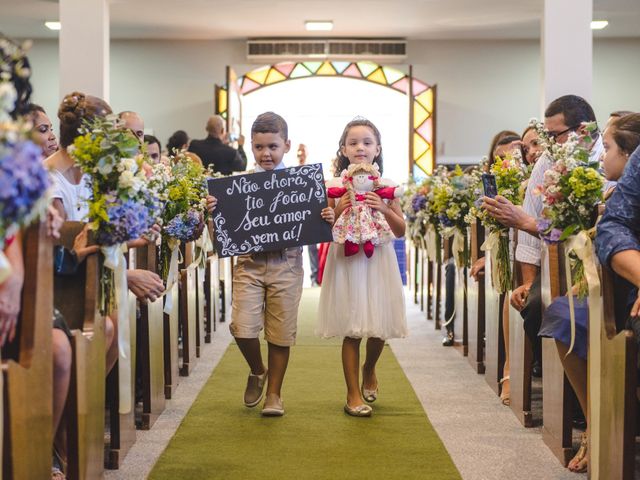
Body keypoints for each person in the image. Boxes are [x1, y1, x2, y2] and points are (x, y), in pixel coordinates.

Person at [207, 112, 333, 416]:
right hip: (249, 263)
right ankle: (257, 369)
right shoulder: (238, 186)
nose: (266, 154)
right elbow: (222, 235)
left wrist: (326, 216)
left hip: (287, 263)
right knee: (242, 328)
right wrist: (213, 212)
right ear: (251, 146)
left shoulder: (302, 184)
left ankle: (274, 393)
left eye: (273, 147)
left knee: (280, 332)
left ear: (286, 145)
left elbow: (317, 222)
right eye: (260, 147)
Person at [539, 113, 640, 473]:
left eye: (608, 148)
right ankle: (595, 420)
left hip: (618, 289)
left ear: (629, 155)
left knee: (566, 312)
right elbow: (609, 233)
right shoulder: (614, 190)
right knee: (561, 312)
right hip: (620, 285)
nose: (600, 156)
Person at [483, 95, 604, 378]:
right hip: (553, 265)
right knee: (534, 304)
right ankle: (554, 378)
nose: (547, 143)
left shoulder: (605, 156)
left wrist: (526, 221)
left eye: (554, 135)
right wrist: (529, 282)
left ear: (582, 129)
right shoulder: (549, 159)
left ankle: (580, 395)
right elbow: (528, 228)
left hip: (596, 263)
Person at [316, 118, 407, 417]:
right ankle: (352, 394)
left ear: (377, 149)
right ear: (343, 149)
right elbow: (322, 228)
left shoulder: (387, 187)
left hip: (378, 258)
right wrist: (338, 208)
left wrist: (383, 208)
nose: (360, 148)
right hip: (347, 259)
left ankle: (370, 367)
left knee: (378, 328)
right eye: (353, 142)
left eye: (367, 142)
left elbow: (401, 230)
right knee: (353, 328)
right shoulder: (333, 187)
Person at [296, 143, 319, 285]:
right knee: (295, 250)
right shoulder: (290, 171)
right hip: (295, 216)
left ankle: (314, 278)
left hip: (310, 215)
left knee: (312, 249)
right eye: (299, 152)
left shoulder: (312, 171)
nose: (301, 154)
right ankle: (296, 279)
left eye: (303, 151)